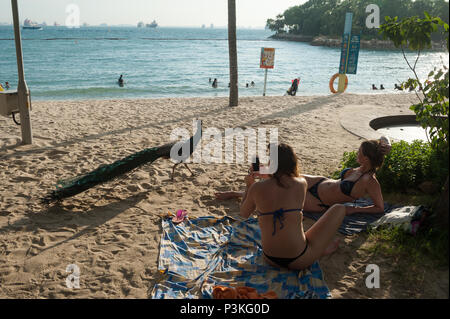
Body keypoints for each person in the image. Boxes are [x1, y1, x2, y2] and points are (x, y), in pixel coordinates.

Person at [216, 137, 391, 215]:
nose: (356, 154)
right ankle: (257, 173)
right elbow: (384, 141)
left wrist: (353, 210)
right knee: (284, 175)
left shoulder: (371, 182)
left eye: (359, 152)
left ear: (367, 158)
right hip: (321, 182)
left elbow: (379, 207)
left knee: (279, 189)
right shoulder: (359, 168)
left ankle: (239, 192)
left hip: (319, 202)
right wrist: (384, 146)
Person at [239, 143, 346, 270]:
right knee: (339, 208)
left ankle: (315, 250)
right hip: (298, 259)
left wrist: (249, 185)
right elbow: (284, 181)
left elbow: (244, 213)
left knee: (299, 233)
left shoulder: (257, 188)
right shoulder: (301, 184)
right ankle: (319, 251)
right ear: (292, 162)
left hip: (269, 258)